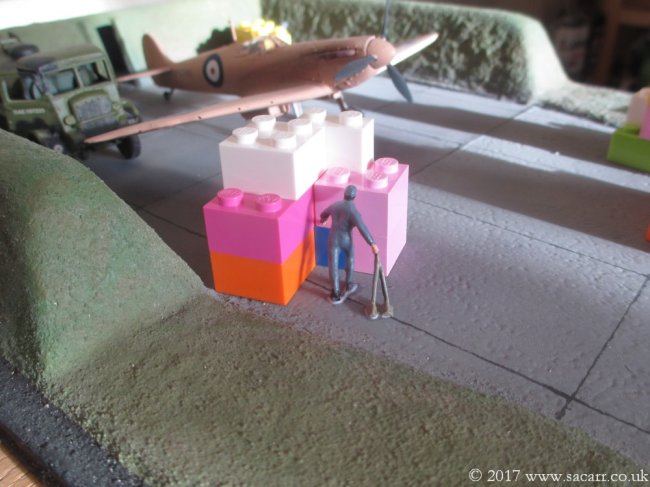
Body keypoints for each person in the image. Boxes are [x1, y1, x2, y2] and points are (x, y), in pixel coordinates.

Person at [320, 185, 379, 304]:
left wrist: (323, 219)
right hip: (346, 238)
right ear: (354, 196)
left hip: (333, 238)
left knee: (333, 264)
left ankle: (335, 292)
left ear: (344, 194)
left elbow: (324, 213)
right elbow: (362, 228)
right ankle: (348, 284)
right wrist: (372, 243)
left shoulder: (335, 205)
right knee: (350, 259)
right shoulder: (353, 211)